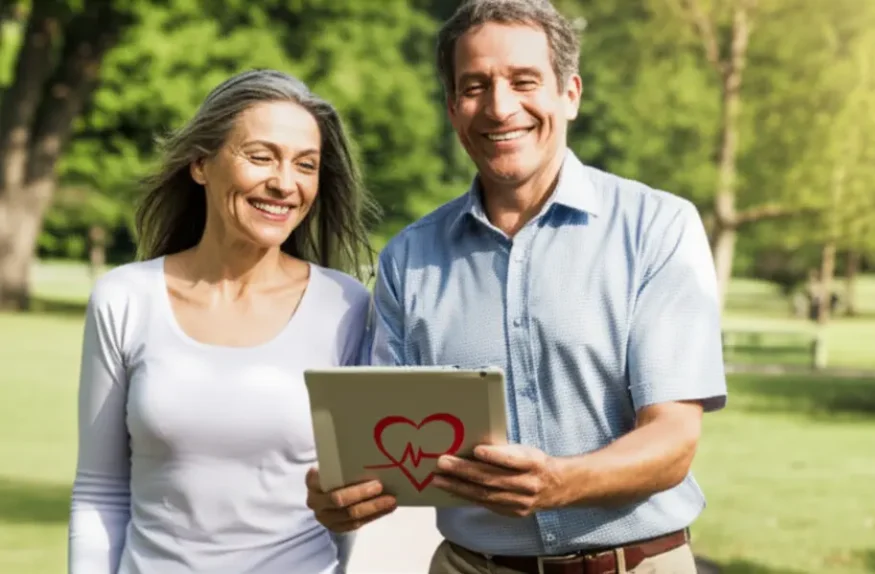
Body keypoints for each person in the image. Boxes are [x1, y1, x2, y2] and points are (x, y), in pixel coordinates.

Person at [306, 1, 728, 572]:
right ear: (453, 108)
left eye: (523, 81)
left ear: (570, 94)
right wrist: (341, 494)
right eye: (474, 86)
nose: (500, 107)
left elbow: (672, 442)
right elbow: (382, 449)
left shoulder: (658, 228)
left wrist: (560, 483)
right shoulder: (409, 258)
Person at [67, 69, 377, 574]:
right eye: (261, 156)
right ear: (200, 164)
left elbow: (354, 506)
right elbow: (99, 491)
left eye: (305, 164)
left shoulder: (346, 306)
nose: (285, 183)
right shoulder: (124, 298)